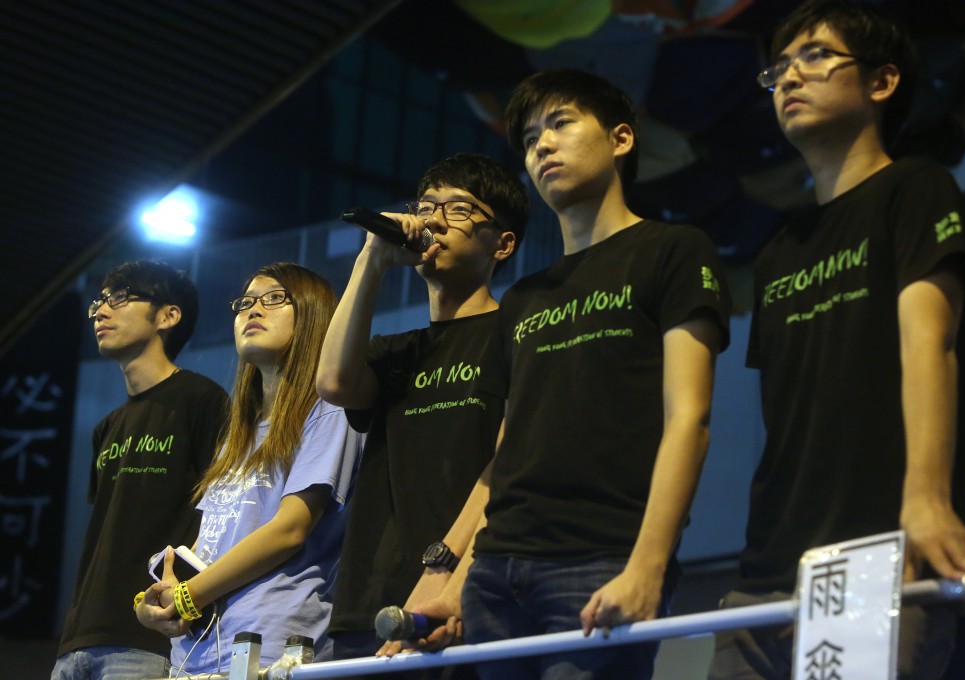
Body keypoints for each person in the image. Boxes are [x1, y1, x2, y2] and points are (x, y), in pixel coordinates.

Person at [404, 69, 731, 680]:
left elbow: (690, 418)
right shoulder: (524, 298)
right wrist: (458, 576)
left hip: (601, 559)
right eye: (529, 139)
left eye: (560, 124)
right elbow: (507, 452)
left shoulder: (672, 250)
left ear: (622, 139)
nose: (542, 147)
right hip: (497, 574)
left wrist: (649, 566)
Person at [708, 2, 965, 679]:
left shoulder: (916, 190)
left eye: (815, 56)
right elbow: (788, 415)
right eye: (779, 68)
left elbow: (931, 343)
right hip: (764, 573)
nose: (790, 77)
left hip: (879, 556)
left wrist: (926, 500)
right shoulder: (777, 252)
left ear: (882, 82)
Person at [315, 153, 529, 678]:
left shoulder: (519, 333)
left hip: (463, 600)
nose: (433, 219)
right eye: (426, 205)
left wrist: (456, 578)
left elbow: (512, 466)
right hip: (370, 602)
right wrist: (374, 255)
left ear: (502, 244)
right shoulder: (397, 352)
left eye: (457, 209)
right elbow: (334, 383)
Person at [135, 262, 362, 674]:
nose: (253, 310)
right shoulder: (238, 434)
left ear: (313, 314)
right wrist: (159, 601)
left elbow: (289, 530)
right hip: (196, 654)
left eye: (275, 298)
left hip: (272, 647)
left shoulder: (331, 409)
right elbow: (215, 546)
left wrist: (189, 595)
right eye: (245, 303)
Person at [52, 260, 229, 680]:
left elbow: (223, 517)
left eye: (119, 298)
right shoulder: (106, 426)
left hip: (151, 638)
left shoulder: (203, 401)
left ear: (168, 315)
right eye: (99, 301)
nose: (100, 311)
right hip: (77, 640)